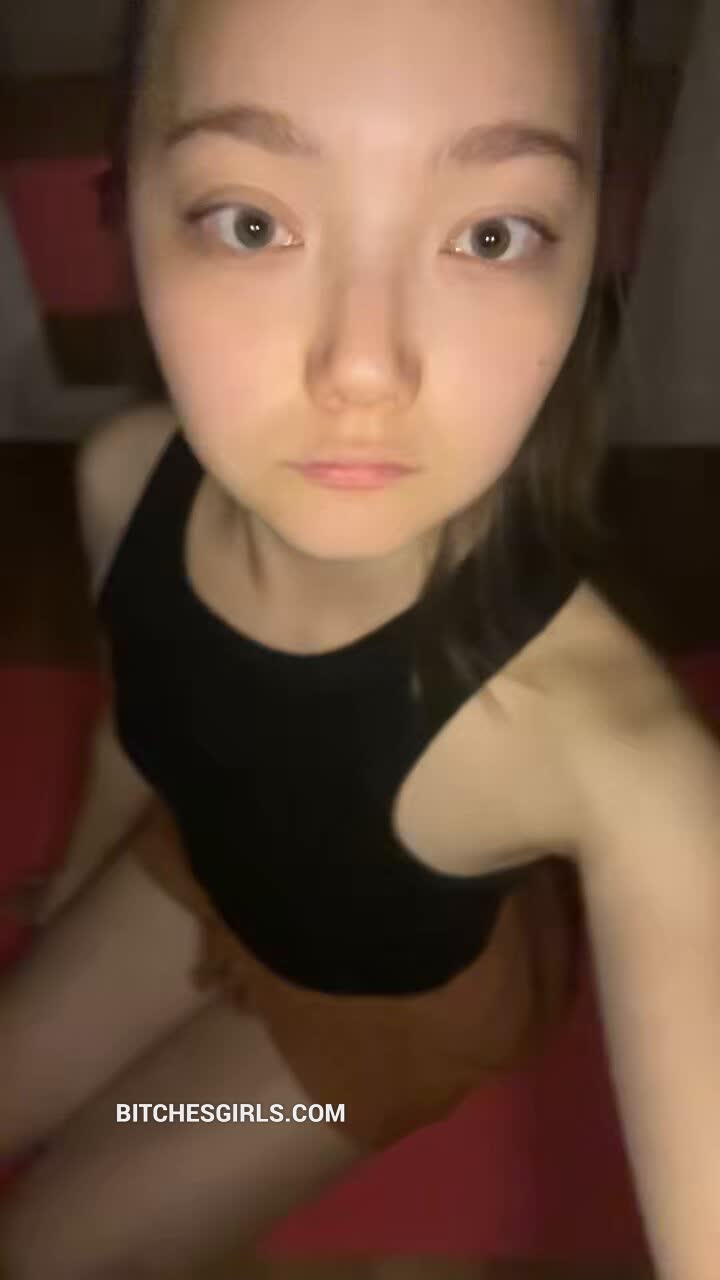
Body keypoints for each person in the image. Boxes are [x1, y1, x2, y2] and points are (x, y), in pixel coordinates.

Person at [1, 1, 719, 1277]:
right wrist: (73, 883)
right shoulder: (125, 479)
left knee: (43, 1246)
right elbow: (139, 725)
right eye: (252, 222)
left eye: (491, 235)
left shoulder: (615, 756)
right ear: (131, 204)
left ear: (584, 254)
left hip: (369, 1026)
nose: (365, 370)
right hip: (193, 869)